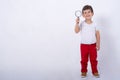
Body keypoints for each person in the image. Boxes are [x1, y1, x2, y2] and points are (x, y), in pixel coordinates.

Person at [74, 5, 100, 78]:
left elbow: (98, 34)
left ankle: (95, 71)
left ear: (92, 13)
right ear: (82, 15)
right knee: (84, 60)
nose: (87, 14)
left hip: (93, 45)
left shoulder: (95, 24)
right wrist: (77, 23)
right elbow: (76, 31)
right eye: (85, 13)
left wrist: (98, 44)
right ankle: (84, 71)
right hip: (84, 45)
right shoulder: (81, 23)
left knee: (93, 59)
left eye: (89, 12)